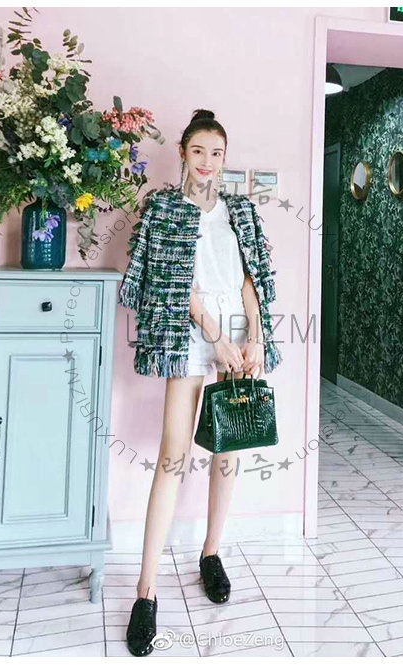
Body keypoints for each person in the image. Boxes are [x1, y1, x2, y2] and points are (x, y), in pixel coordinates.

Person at [124, 109, 274, 657]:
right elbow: (171, 281)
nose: (208, 162)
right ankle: (146, 591)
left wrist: (254, 334)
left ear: (224, 159)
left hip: (236, 331)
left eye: (217, 153)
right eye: (199, 151)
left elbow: (250, 279)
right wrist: (216, 337)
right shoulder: (164, 209)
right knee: (173, 456)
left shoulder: (240, 211)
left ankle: (211, 552)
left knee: (228, 449)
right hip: (190, 333)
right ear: (182, 153)